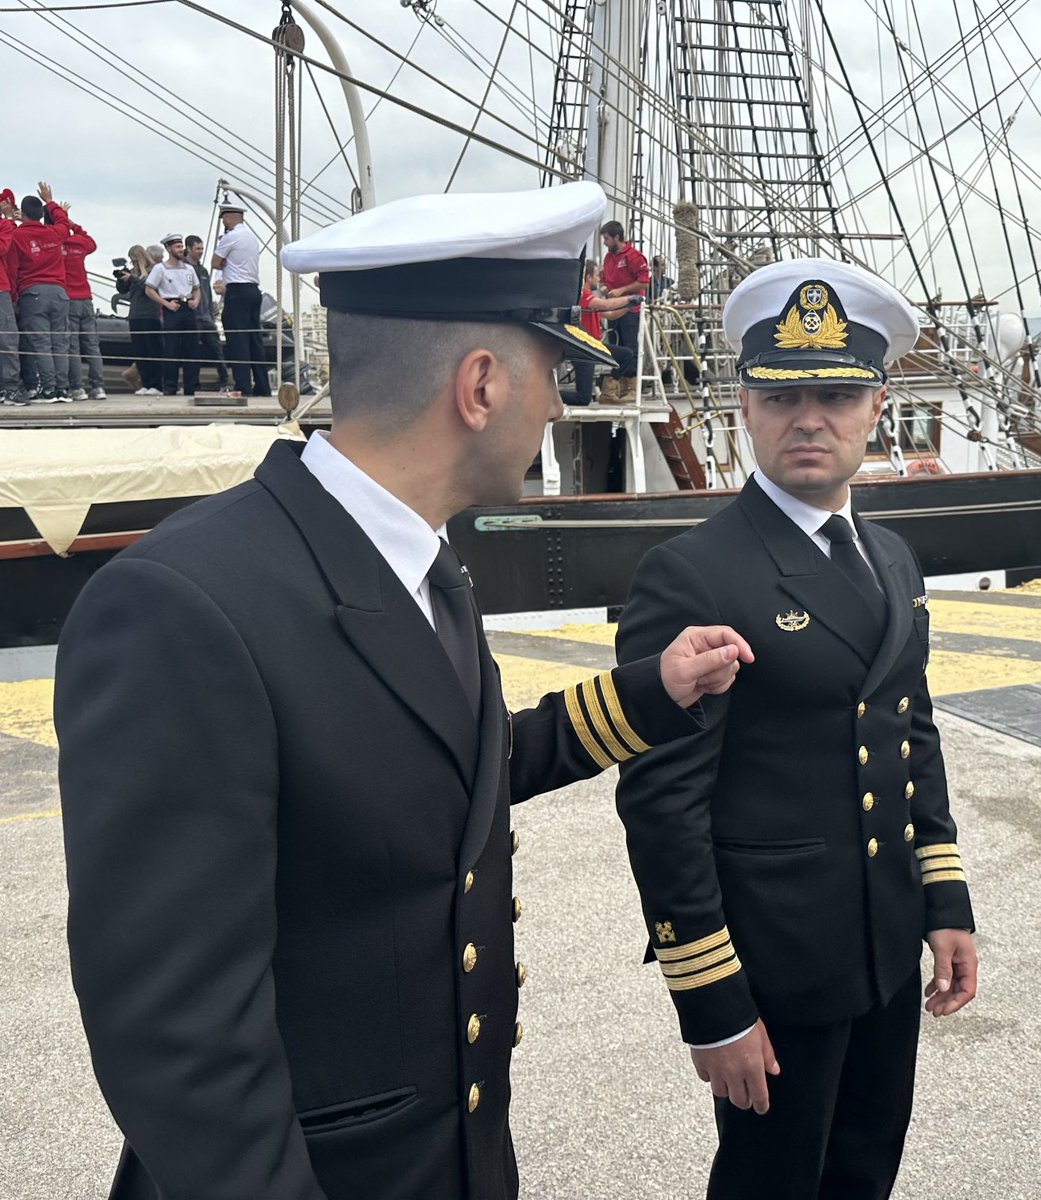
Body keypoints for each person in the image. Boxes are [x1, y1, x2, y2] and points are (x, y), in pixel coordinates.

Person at [55, 181, 754, 1200]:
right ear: (480, 386)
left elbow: (442, 781)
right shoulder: (184, 606)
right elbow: (180, 1044)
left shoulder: (421, 570)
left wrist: (651, 693)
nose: (562, 404)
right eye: (552, 371)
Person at [615, 258, 977, 1200]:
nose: (807, 417)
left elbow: (910, 733)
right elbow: (661, 807)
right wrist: (710, 1000)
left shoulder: (890, 556)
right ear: (744, 405)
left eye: (834, 393)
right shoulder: (691, 573)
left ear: (876, 406)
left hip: (882, 943)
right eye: (781, 395)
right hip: (771, 961)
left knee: (863, 1171)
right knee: (771, 1184)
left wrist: (943, 900)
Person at [6, 181, 72, 403]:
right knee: (60, 343)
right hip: (60, 294)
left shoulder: (17, 235)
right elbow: (64, 221)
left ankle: (49, 390)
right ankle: (63, 390)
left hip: (33, 294)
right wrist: (51, 202)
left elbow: (13, 270)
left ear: (22, 214)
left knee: (41, 343)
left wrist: (14, 299)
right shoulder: (54, 232)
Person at [211, 200, 269, 396]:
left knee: (238, 340)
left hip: (237, 291)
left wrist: (226, 262)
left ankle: (243, 386)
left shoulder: (230, 237)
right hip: (254, 289)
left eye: (224, 220)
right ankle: (262, 385)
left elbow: (215, 263)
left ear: (228, 218)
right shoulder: (252, 238)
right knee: (254, 340)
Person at [572, 259, 637, 404]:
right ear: (588, 277)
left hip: (593, 347)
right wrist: (629, 298)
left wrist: (629, 307)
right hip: (585, 349)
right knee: (583, 398)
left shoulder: (590, 298)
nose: (599, 278)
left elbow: (610, 314)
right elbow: (606, 305)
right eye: (596, 275)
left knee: (626, 355)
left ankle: (608, 392)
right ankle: (550, 397)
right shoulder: (582, 295)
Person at [145, 233, 200, 397]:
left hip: (187, 307)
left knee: (192, 349)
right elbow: (149, 289)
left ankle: (192, 385)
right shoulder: (160, 268)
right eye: (177, 247)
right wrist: (165, 303)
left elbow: (197, 288)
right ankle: (170, 386)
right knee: (171, 349)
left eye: (181, 246)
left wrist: (196, 300)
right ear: (169, 249)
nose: (181, 249)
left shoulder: (189, 268)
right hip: (172, 306)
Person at [61, 204, 107, 401]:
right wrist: (73, 225)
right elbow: (92, 243)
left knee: (72, 346)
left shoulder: (56, 243)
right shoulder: (79, 243)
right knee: (92, 346)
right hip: (86, 298)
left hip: (68, 299)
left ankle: (77, 388)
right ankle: (98, 388)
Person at [117, 245, 164, 395]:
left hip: (151, 314)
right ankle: (145, 383)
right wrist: (122, 279)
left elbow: (148, 287)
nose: (134, 264)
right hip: (135, 315)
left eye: (135, 260)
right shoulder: (134, 273)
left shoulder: (154, 270)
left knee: (153, 351)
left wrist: (133, 279)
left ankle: (156, 385)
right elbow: (122, 290)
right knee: (140, 351)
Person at [185, 234, 229, 391]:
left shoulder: (203, 270)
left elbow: (207, 293)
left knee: (216, 349)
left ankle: (224, 381)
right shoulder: (182, 269)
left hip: (206, 317)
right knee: (193, 352)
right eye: (197, 249)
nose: (200, 252)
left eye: (202, 248)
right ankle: (192, 385)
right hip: (191, 317)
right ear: (188, 249)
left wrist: (211, 314)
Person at [600, 219, 649, 356]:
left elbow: (644, 282)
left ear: (617, 237)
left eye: (607, 239)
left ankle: (630, 375)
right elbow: (604, 279)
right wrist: (604, 287)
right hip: (613, 308)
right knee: (615, 346)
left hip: (631, 311)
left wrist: (621, 290)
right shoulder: (608, 257)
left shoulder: (634, 256)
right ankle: (619, 376)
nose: (604, 242)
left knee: (630, 347)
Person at [0, 189, 21, 404]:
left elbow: (4, 247)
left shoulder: (5, 226)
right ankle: (9, 388)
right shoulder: (5, 225)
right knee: (7, 338)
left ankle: (9, 388)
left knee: (6, 338)